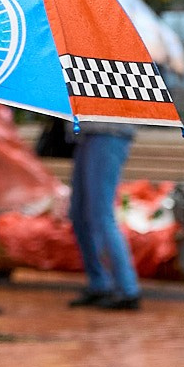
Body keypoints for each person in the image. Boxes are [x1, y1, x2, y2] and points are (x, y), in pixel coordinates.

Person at [69, 121, 141, 311]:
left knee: (101, 214)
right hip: (87, 132)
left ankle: (127, 288)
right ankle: (100, 283)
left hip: (109, 131)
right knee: (79, 214)